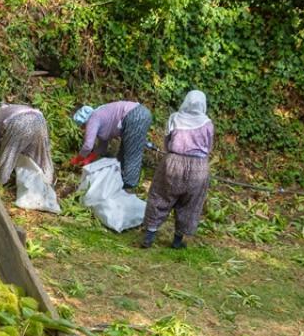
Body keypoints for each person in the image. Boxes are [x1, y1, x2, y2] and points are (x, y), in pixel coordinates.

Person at [142, 91, 213, 249]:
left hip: (173, 162)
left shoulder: (175, 117)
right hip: (199, 167)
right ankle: (177, 241)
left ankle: (149, 236)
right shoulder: (207, 123)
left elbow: (167, 141)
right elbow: (208, 147)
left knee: (160, 196)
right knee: (190, 204)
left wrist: (172, 153)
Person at [71, 100, 153, 190]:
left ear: (84, 122)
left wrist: (78, 159)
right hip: (139, 114)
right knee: (123, 153)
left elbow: (88, 145)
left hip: (135, 116)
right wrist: (89, 159)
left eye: (82, 127)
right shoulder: (100, 117)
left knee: (131, 154)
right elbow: (102, 147)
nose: (84, 129)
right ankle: (119, 180)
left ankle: (128, 185)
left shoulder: (92, 118)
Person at [0, 103, 54, 186]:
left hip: (19, 122)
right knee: (42, 154)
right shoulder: (17, 107)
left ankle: (2, 182)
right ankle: (48, 180)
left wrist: (0, 145)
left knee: (9, 155)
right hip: (40, 120)